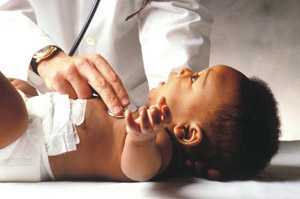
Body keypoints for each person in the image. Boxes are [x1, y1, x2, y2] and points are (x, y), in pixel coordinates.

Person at [0, 65, 280, 181]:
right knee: (17, 91)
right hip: (29, 124)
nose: (183, 69)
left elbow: (138, 171)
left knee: (12, 111)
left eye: (194, 78)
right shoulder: (150, 125)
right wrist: (29, 96)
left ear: (187, 132)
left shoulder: (160, 146)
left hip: (24, 143)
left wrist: (140, 139)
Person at [0, 0, 212, 115]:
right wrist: (46, 57)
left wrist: (169, 106)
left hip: (135, 98)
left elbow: (176, 9)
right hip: (27, 95)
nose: (185, 74)